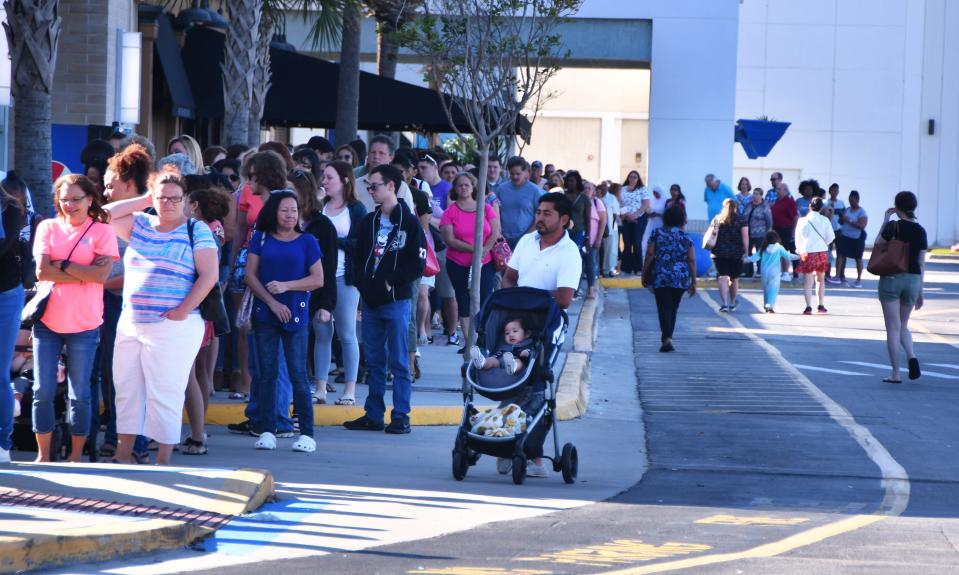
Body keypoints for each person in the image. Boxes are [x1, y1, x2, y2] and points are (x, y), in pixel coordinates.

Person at [104, 169, 218, 465]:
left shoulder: (197, 230)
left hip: (174, 324)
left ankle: (163, 458)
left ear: (185, 200)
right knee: (126, 390)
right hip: (132, 321)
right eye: (162, 197)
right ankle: (122, 454)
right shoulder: (141, 223)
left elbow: (208, 276)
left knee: (165, 391)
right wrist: (143, 200)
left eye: (174, 198)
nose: (168, 203)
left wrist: (181, 311)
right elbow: (103, 215)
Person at [31, 175, 119, 462]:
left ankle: (76, 456)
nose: (69, 205)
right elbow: (42, 272)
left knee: (79, 393)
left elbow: (101, 276)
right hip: (48, 322)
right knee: (42, 390)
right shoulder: (47, 227)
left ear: (90, 199)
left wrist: (64, 264)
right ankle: (44, 456)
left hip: (85, 324)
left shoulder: (102, 232)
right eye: (64, 199)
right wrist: (83, 272)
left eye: (76, 199)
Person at [500, 192, 580, 477]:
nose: (540, 218)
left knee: (536, 386)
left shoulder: (570, 253)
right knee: (508, 380)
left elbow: (564, 298)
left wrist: (527, 297)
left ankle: (530, 453)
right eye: (539, 212)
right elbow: (509, 278)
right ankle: (505, 442)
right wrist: (514, 300)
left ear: (564, 219)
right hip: (515, 321)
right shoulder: (526, 241)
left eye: (547, 213)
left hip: (547, 326)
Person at [344, 165, 425, 435]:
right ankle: (374, 414)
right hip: (370, 300)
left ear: (391, 186)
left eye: (375, 186)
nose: (371, 191)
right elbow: (357, 255)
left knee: (400, 361)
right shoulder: (369, 221)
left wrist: (393, 280)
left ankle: (401, 415)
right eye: (369, 186)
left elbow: (418, 262)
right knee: (375, 361)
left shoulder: (409, 221)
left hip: (396, 301)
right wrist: (361, 283)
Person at [245, 191, 324, 451]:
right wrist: (272, 301)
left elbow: (318, 279)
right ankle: (267, 430)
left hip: (296, 312)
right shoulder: (261, 238)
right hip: (266, 313)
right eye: (284, 210)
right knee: (266, 374)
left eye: (294, 210)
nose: (290, 215)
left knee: (298, 374)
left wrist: (287, 286)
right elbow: (250, 276)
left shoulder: (308, 241)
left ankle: (307, 434)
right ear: (273, 213)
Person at [180, 187, 232, 455]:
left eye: (184, 200)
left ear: (195, 205)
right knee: (198, 372)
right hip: (203, 309)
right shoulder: (214, 228)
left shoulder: (202, 231)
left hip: (196, 308)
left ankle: (197, 433)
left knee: (191, 373)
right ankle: (197, 430)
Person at [316, 162, 366, 406]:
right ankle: (320, 387)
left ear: (345, 180)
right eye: (323, 177)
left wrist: (333, 241)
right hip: (319, 278)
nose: (324, 181)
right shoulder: (320, 207)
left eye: (329, 177)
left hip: (345, 277)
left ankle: (350, 389)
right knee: (321, 332)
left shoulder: (356, 209)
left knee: (347, 333)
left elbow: (361, 243)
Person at [440, 172, 500, 345]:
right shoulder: (450, 212)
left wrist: (483, 251)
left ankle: (484, 338)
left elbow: (495, 231)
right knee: (463, 300)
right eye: (460, 185)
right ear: (455, 189)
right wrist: (475, 249)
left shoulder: (485, 208)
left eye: (467, 184)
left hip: (485, 262)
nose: (464, 188)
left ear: (474, 187)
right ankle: (469, 342)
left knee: (484, 298)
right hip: (458, 262)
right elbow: (449, 239)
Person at [877, 191, 927, 384]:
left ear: (897, 208)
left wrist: (885, 219)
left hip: (892, 277)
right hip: (913, 280)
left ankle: (896, 373)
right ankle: (912, 356)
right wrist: (920, 291)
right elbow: (922, 263)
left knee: (892, 328)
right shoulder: (921, 230)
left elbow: (878, 243)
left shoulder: (893, 225)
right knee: (903, 325)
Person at [642, 205, 696, 352]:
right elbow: (691, 259)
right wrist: (694, 281)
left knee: (663, 308)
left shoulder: (656, 233)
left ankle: (667, 339)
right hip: (681, 277)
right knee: (673, 308)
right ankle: (668, 338)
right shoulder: (686, 236)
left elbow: (650, 254)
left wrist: (644, 272)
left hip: (661, 275)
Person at [0, 181, 26, 463]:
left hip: (5, 294)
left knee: (0, 373)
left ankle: (3, 442)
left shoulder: (10, 208)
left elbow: (3, 246)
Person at [795, 197, 835, 314]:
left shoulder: (802, 221)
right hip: (821, 252)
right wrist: (823, 244)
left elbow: (798, 238)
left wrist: (799, 250)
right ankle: (820, 305)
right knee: (820, 279)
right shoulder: (825, 220)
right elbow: (831, 237)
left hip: (807, 252)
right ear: (821, 208)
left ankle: (808, 307)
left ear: (809, 206)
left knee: (808, 281)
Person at [356, 136, 416, 213]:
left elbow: (408, 219)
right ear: (368, 156)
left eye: (381, 153)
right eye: (373, 152)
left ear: (391, 157)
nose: (376, 157)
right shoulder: (356, 184)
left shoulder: (400, 186)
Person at [495, 156, 544, 250]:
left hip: (526, 239)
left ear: (526, 172)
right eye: (512, 174)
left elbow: (539, 216)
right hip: (503, 239)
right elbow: (496, 213)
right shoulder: (501, 189)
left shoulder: (535, 191)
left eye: (518, 174)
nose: (515, 177)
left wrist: (527, 236)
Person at [744, 230, 799, 313]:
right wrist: (799, 257)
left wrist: (745, 260)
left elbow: (754, 258)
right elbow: (788, 256)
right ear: (777, 239)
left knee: (766, 289)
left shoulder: (763, 248)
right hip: (775, 272)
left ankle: (766, 305)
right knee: (773, 289)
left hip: (764, 272)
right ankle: (770, 305)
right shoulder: (779, 248)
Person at [709, 198, 748, 312]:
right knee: (734, 278)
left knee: (723, 276)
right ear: (735, 207)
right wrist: (746, 251)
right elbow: (745, 237)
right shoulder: (741, 220)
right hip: (736, 253)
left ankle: (724, 303)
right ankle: (732, 302)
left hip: (719, 252)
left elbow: (711, 233)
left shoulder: (718, 218)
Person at [468, 318, 534, 374]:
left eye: (515, 331)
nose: (511, 334)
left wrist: (525, 353)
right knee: (492, 360)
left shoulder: (527, 345)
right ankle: (482, 362)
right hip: (502, 359)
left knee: (520, 363)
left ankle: (513, 366)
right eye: (507, 333)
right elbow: (498, 354)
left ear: (527, 334)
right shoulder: (504, 345)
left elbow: (530, 352)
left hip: (518, 359)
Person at [836, 190, 868, 287]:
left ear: (857, 200)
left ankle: (858, 279)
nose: (851, 202)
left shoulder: (862, 212)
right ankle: (837, 276)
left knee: (858, 258)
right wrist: (841, 218)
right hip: (844, 236)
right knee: (840, 255)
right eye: (849, 200)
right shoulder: (847, 210)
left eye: (852, 200)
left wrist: (849, 220)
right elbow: (841, 222)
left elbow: (862, 225)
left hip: (856, 238)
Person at [618, 170, 647, 274]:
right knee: (627, 243)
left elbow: (646, 204)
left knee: (637, 242)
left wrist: (635, 215)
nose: (633, 178)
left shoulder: (642, 189)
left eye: (635, 177)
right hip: (625, 218)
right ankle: (626, 268)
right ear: (628, 178)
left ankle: (638, 268)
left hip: (639, 219)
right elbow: (620, 203)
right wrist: (627, 215)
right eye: (631, 176)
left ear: (638, 178)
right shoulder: (622, 189)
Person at [770, 182, 799, 281]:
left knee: (784, 251)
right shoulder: (778, 201)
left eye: (779, 189)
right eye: (777, 189)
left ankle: (786, 273)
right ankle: (781, 272)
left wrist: (793, 230)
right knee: (777, 252)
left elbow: (795, 216)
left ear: (785, 191)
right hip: (776, 229)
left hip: (785, 229)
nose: (777, 191)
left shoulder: (789, 201)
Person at [584, 180, 607, 299]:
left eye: (589, 188)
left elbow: (603, 221)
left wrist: (599, 239)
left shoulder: (597, 202)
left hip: (592, 240)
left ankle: (591, 289)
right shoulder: (579, 201)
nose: (586, 189)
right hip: (580, 238)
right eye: (584, 187)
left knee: (590, 264)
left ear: (593, 191)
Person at [743, 188, 773, 277]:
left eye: (757, 194)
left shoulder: (765, 206)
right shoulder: (748, 205)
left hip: (760, 233)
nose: (754, 196)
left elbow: (769, 221)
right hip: (748, 233)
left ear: (761, 195)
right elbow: (744, 216)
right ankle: (747, 271)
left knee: (760, 252)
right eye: (754, 194)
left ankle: (760, 271)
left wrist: (768, 232)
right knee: (747, 252)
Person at [823, 183, 845, 285]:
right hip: (828, 230)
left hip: (839, 230)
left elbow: (844, 217)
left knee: (840, 253)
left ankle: (839, 275)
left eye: (836, 191)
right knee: (828, 253)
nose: (834, 193)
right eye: (833, 190)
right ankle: (827, 274)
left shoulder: (841, 203)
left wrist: (842, 219)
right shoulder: (825, 202)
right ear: (829, 191)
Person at [640, 185, 668, 263]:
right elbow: (647, 210)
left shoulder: (665, 201)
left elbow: (666, 213)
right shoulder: (652, 200)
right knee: (648, 238)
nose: (655, 195)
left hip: (660, 223)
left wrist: (657, 214)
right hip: (651, 223)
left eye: (656, 193)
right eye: (654, 193)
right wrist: (650, 213)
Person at [598, 181, 621, 277]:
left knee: (611, 250)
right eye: (601, 186)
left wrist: (609, 227)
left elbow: (616, 213)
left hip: (610, 229)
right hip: (598, 228)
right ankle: (601, 269)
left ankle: (609, 269)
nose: (603, 188)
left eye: (605, 186)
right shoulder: (597, 198)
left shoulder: (612, 198)